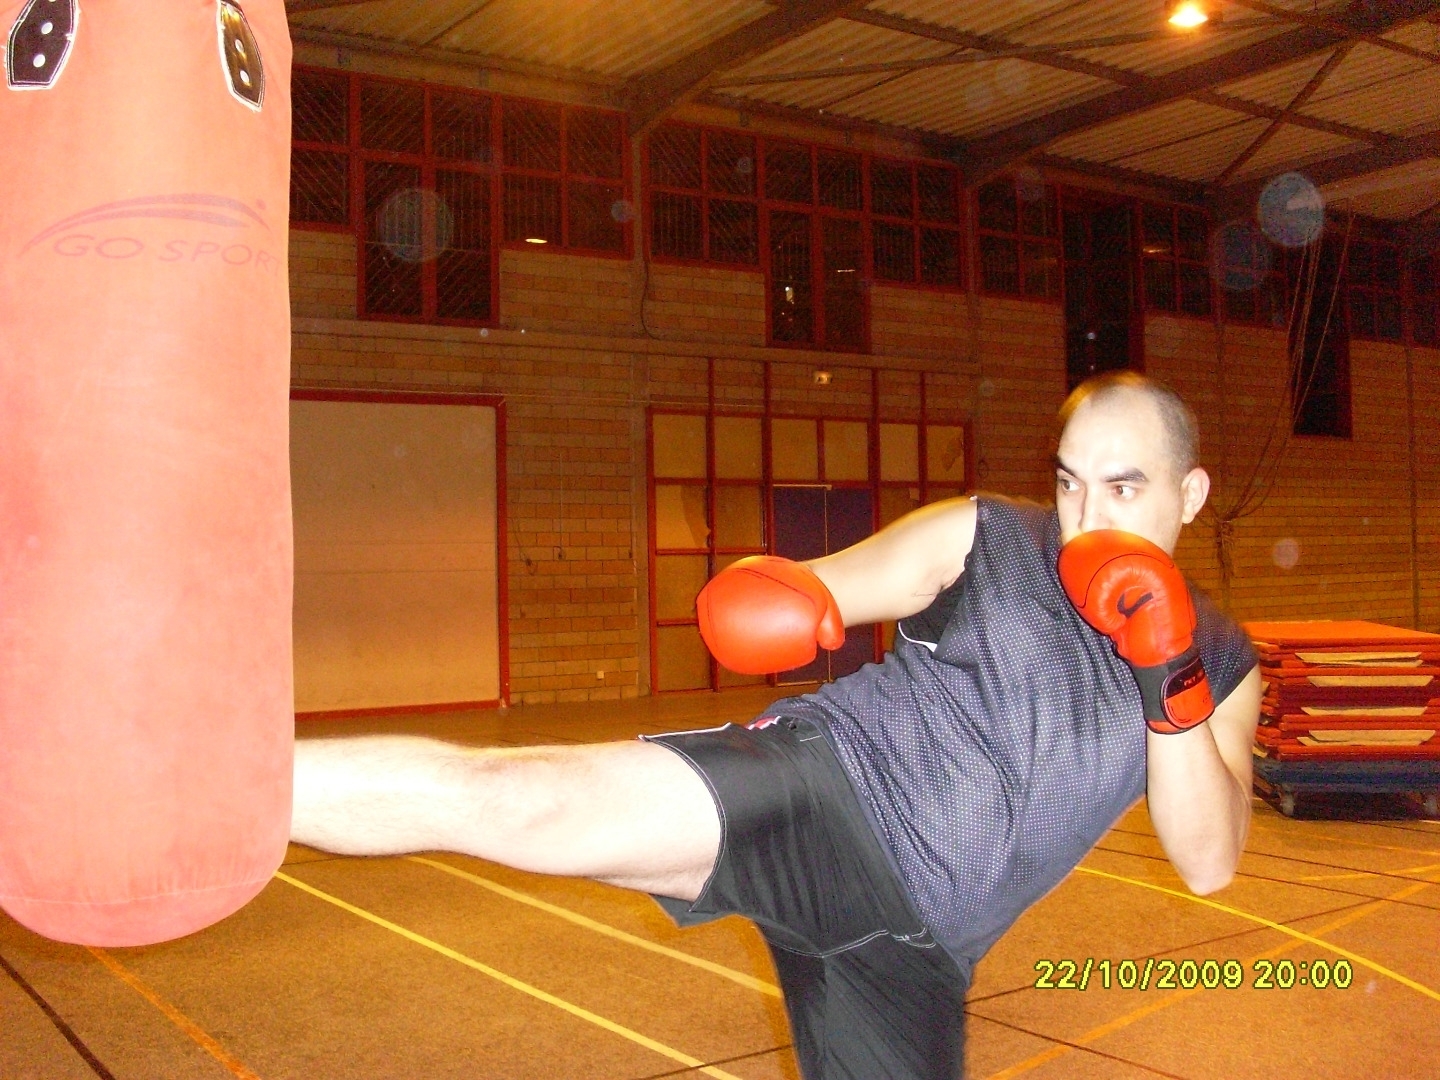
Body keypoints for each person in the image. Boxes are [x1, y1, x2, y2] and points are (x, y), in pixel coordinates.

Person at [291, 372, 1261, 1079]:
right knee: (517, 798)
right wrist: (780, 592)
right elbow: (824, 585)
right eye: (1067, 481)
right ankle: (225, 783)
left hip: (917, 952)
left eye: (1122, 487)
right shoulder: (990, 535)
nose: (1084, 516)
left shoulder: (1219, 660)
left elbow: (1209, 861)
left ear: (1191, 492)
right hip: (814, 798)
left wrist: (1166, 668)